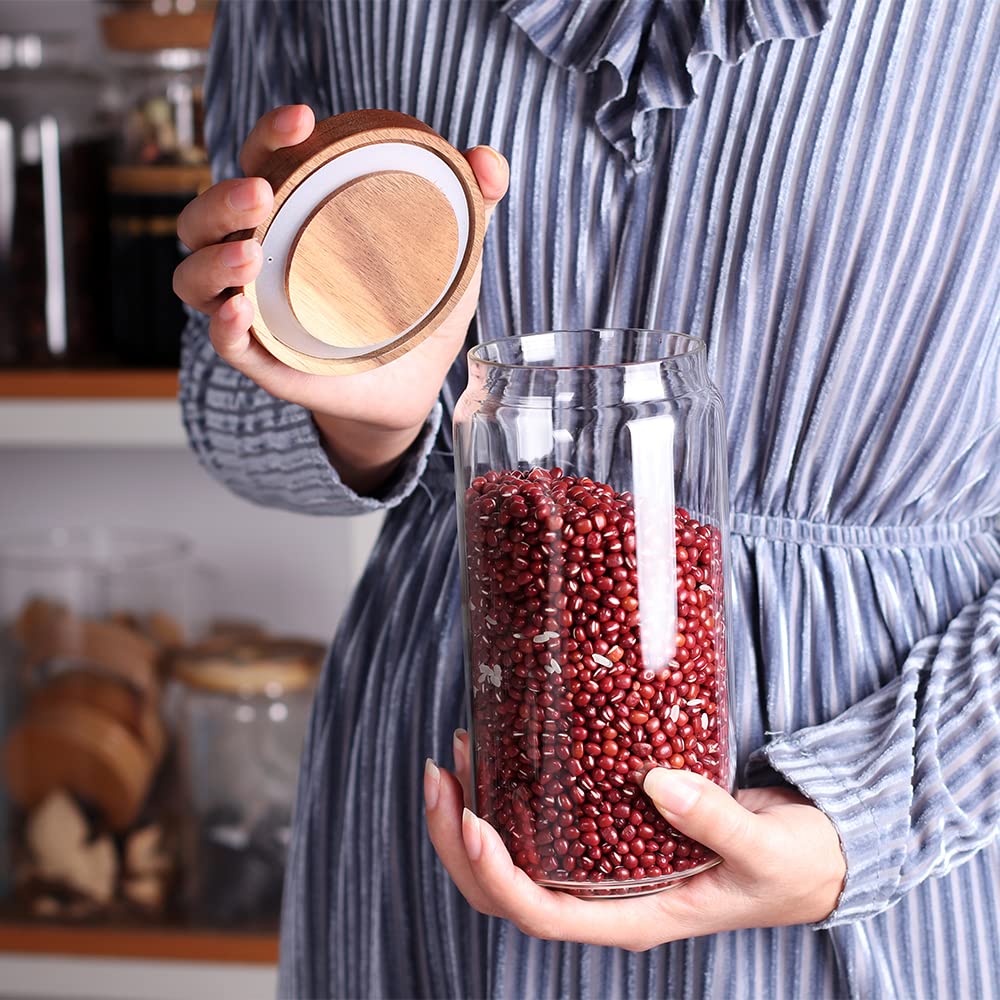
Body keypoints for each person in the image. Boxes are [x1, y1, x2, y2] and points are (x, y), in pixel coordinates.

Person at [174, 1, 1000, 997]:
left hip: (878, 823)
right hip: (441, 787)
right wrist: (362, 418)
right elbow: (226, 403)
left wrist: (883, 802)